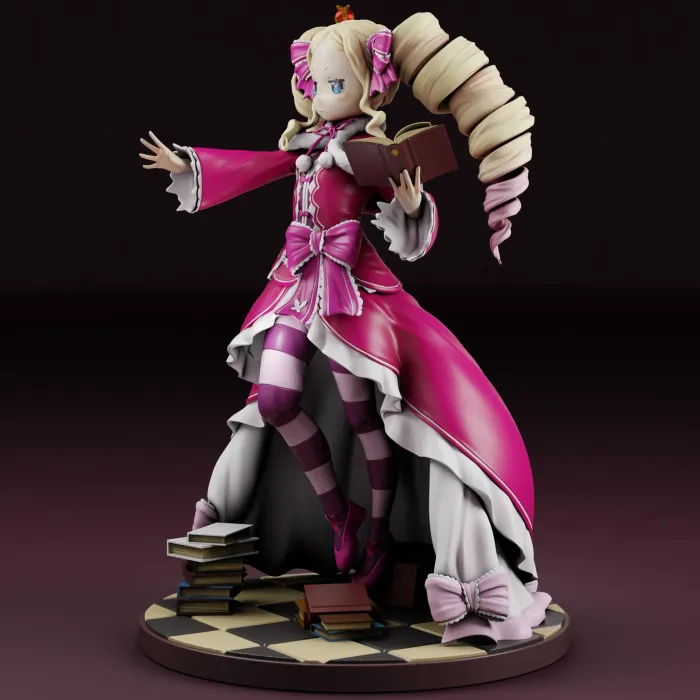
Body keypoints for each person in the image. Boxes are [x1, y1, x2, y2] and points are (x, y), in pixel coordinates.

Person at [139, 8, 547, 643]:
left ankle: (379, 528)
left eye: (335, 84)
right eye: (315, 83)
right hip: (296, 285)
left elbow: (413, 231)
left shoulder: (367, 156)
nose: (320, 96)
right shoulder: (303, 150)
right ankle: (340, 514)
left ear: (371, 88)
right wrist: (191, 166)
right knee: (275, 400)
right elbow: (253, 167)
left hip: (351, 299)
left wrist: (410, 205)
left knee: (365, 415)